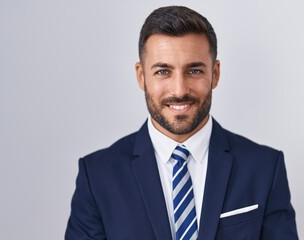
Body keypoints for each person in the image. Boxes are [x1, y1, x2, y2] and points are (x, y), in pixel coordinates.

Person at [65, 6, 298, 240]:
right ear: (141, 76)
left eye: (194, 70)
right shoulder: (97, 176)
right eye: (163, 72)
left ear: (215, 74)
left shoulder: (265, 168)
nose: (179, 90)